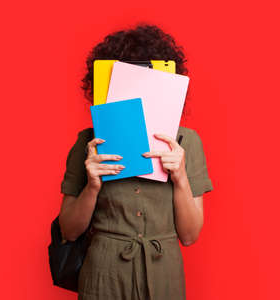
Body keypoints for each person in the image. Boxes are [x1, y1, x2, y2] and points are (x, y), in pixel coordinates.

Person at [58, 24, 214, 300]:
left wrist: (180, 177)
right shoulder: (88, 143)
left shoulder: (186, 142)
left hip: (164, 275)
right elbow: (69, 231)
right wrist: (92, 186)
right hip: (103, 277)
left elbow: (189, 236)